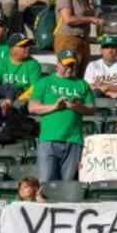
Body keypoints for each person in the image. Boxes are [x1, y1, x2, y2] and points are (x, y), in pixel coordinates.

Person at [28, 52, 97, 181]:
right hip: (49, 139)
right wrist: (55, 106)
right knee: (46, 180)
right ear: (58, 63)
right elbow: (32, 108)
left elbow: (92, 109)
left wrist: (75, 107)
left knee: (68, 182)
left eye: (72, 65)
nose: (69, 69)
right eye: (66, 65)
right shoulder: (44, 82)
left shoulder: (82, 84)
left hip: (73, 140)